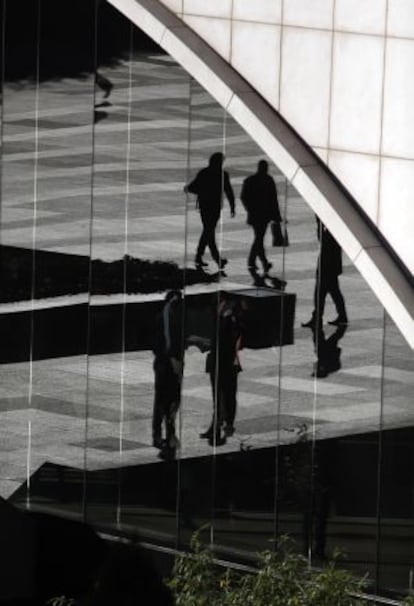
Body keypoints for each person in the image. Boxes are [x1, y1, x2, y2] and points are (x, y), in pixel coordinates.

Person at [200, 294, 242, 446]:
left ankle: (227, 425)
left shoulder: (230, 320)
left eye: (222, 304)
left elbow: (233, 341)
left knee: (228, 395)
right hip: (217, 363)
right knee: (218, 396)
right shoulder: (218, 319)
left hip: (227, 364)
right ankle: (216, 426)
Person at [185, 152, 235, 270]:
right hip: (215, 206)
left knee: (208, 231)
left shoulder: (204, 173)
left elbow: (191, 187)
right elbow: (229, 191)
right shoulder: (223, 175)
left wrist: (203, 192)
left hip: (204, 206)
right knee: (209, 231)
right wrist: (232, 206)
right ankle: (217, 259)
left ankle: (200, 256)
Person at [152, 290, 184, 460]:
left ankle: (166, 435)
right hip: (166, 364)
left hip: (170, 363)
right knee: (165, 401)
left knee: (169, 400)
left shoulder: (172, 317)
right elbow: (158, 344)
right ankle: (162, 435)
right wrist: (171, 358)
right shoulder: (165, 318)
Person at [302, 218, 348, 328]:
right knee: (333, 292)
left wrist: (319, 222)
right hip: (330, 267)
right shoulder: (335, 230)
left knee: (320, 293)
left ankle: (317, 318)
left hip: (327, 267)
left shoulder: (333, 232)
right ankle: (341, 316)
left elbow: (323, 240)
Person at [240, 159, 282, 273]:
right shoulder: (268, 180)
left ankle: (260, 262)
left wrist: (249, 209)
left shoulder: (250, 180)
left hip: (255, 214)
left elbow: (243, 197)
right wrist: (277, 216)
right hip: (264, 215)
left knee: (259, 237)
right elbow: (273, 200)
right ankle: (255, 261)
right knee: (259, 238)